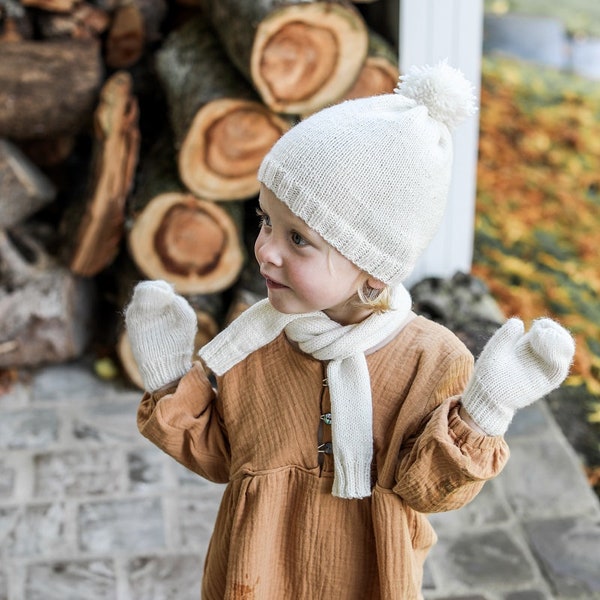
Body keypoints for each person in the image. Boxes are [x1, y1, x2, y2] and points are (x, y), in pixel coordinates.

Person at [125, 62, 575, 599]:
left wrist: (484, 413)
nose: (265, 249)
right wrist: (169, 379)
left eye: (298, 239)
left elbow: (429, 490)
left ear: (372, 269)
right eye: (265, 220)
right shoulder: (256, 340)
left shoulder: (432, 362)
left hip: (368, 579)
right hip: (253, 577)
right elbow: (223, 457)